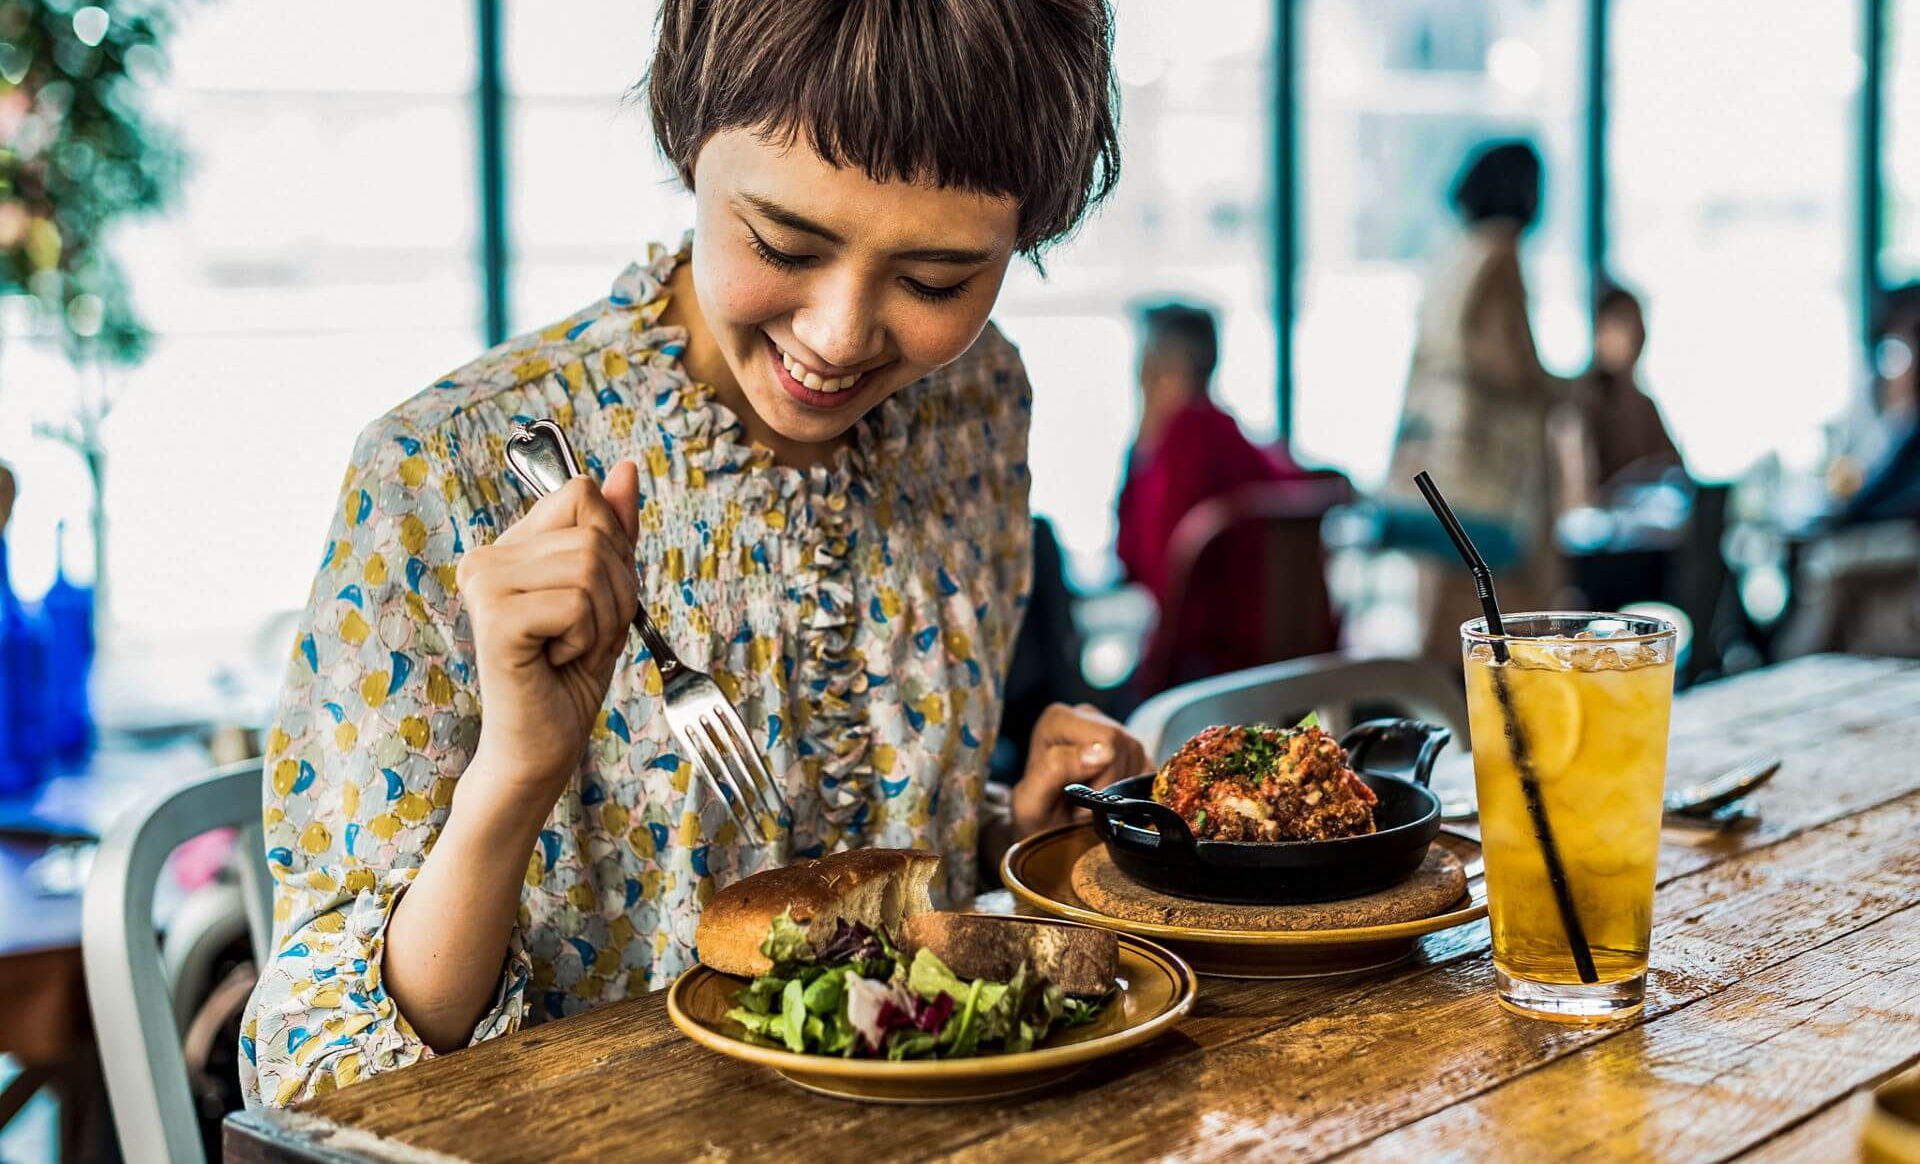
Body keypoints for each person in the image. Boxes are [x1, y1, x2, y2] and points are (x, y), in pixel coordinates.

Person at [243, 0, 1148, 1107]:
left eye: (937, 282)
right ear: (686, 139)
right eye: (783, 246)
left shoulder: (973, 403)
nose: (840, 334)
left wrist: (1017, 831)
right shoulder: (442, 469)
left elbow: (864, 860)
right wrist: (518, 774)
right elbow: (316, 1078)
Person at [1386, 140, 1565, 667]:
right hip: (1485, 482)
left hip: (1433, 471)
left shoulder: (1453, 252)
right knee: (1496, 646)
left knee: (1439, 630)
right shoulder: (1500, 254)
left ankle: (1440, 741)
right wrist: (1564, 388)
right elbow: (1507, 362)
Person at [1115, 302, 1311, 608]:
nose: (1141, 380)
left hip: (1210, 642)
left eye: (1147, 367)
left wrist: (1141, 450)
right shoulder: (1229, 434)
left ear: (1169, 370)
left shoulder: (1184, 443)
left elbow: (1146, 566)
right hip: (1267, 630)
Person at [1559, 284, 1685, 506]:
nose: (1624, 338)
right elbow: (1576, 495)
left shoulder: (1644, 406)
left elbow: (1672, 472)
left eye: (1631, 327)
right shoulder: (1579, 404)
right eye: (1614, 327)